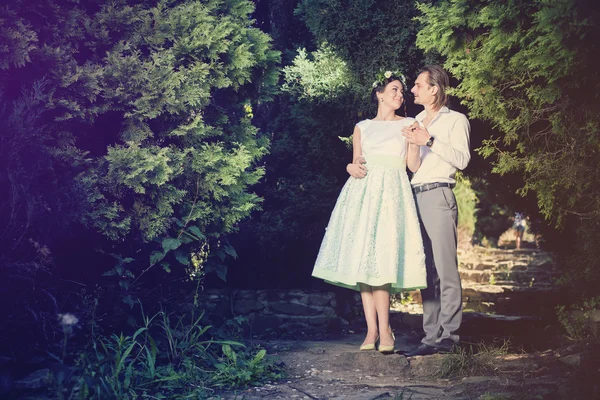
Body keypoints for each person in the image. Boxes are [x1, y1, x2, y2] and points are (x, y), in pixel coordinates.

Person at [312, 71, 427, 354]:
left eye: (402, 91)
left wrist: (414, 141)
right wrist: (350, 168)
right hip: (362, 194)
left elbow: (413, 167)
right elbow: (356, 163)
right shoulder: (362, 127)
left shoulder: (410, 123)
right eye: (394, 90)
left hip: (392, 194)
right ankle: (371, 330)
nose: (400, 95)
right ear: (379, 94)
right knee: (364, 258)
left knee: (383, 257)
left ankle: (386, 329)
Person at [401, 65, 471, 356]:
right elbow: (413, 167)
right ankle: (430, 337)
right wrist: (414, 144)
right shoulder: (415, 119)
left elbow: (463, 160)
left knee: (445, 269)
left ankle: (450, 338)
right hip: (415, 195)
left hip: (440, 194)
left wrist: (429, 140)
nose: (413, 89)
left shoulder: (456, 120)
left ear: (434, 88)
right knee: (426, 271)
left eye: (418, 85)